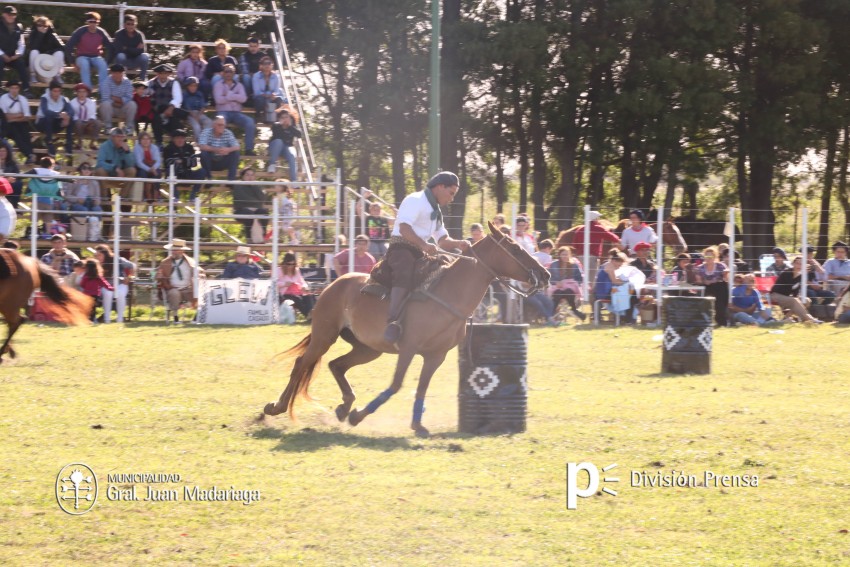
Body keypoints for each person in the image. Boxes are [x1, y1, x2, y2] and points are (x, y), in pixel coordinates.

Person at [382, 171, 470, 343]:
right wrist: (423, 245)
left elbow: (443, 240)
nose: (451, 199)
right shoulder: (415, 200)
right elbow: (404, 229)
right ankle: (392, 322)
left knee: (446, 268)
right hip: (400, 248)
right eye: (451, 193)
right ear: (439, 187)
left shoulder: (436, 211)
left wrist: (459, 243)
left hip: (420, 251)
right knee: (405, 271)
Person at [212, 63, 256, 155]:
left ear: (234, 73)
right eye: (226, 71)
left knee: (250, 122)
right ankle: (219, 149)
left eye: (230, 71)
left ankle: (248, 149)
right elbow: (218, 100)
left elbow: (244, 98)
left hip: (236, 113)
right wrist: (236, 98)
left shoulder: (239, 85)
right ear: (223, 73)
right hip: (223, 112)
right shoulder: (218, 85)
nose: (228, 73)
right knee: (220, 122)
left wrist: (229, 96)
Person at [570, 210, 623, 286]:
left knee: (581, 279)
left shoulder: (580, 230)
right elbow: (611, 236)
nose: (598, 220)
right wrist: (618, 240)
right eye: (597, 218)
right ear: (594, 219)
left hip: (580, 258)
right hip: (592, 258)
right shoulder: (598, 228)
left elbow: (575, 245)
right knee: (591, 281)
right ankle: (589, 297)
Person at [156, 238, 201, 322]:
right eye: (172, 250)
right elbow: (158, 275)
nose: (173, 252)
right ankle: (175, 317)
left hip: (187, 288)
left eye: (175, 250)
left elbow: (200, 271)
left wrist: (199, 275)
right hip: (172, 288)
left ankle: (196, 316)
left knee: (198, 293)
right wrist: (160, 276)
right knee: (174, 293)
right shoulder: (165, 262)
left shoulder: (190, 262)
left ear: (182, 251)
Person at [65, 12, 112, 92]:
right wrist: (72, 62)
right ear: (87, 22)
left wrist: (107, 61)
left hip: (96, 57)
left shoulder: (101, 32)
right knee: (84, 64)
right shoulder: (80, 31)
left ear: (98, 22)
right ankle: (87, 92)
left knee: (103, 65)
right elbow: (68, 47)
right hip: (82, 57)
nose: (93, 24)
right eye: (91, 21)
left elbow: (111, 47)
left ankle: (104, 94)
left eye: (95, 22)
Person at [769, 256, 823, 324]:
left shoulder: (800, 276)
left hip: (787, 298)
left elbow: (795, 291)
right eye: (797, 263)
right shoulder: (787, 273)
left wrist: (797, 297)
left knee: (806, 300)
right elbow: (789, 285)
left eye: (801, 264)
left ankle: (786, 317)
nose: (799, 266)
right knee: (794, 300)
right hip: (775, 295)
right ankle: (809, 319)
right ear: (793, 264)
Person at [148, 63, 187, 146]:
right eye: (160, 73)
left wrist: (170, 108)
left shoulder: (174, 83)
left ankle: (174, 144)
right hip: (156, 109)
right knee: (155, 119)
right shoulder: (150, 83)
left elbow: (178, 98)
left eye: (165, 73)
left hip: (170, 109)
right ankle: (159, 143)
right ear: (157, 74)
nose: (163, 76)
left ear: (169, 74)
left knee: (175, 122)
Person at [95, 244, 135, 323]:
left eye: (99, 255)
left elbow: (132, 266)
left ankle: (120, 318)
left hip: (121, 283)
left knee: (120, 293)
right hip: (105, 285)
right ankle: (107, 319)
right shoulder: (95, 263)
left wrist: (129, 277)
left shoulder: (117, 260)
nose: (97, 257)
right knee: (107, 293)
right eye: (96, 255)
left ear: (105, 254)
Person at [36, 79, 74, 157]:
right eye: (54, 91)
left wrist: (67, 116)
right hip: (42, 123)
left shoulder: (64, 99)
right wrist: (60, 115)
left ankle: (68, 144)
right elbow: (46, 112)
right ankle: (49, 142)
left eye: (58, 91)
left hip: (54, 124)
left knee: (71, 119)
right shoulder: (44, 98)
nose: (57, 93)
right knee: (48, 117)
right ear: (50, 91)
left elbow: (71, 111)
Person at [593, 249, 633, 322]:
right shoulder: (610, 267)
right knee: (630, 295)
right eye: (619, 265)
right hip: (604, 293)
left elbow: (615, 280)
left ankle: (624, 317)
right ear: (614, 261)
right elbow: (615, 281)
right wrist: (628, 282)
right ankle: (626, 318)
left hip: (601, 292)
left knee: (628, 293)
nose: (619, 267)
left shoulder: (606, 265)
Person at [163, 129, 204, 200]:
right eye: (178, 138)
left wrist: (182, 161)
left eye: (182, 138)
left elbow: (194, 163)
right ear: (173, 139)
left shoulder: (189, 148)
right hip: (175, 175)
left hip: (187, 174)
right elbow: (168, 163)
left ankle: (193, 196)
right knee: (170, 171)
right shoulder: (168, 148)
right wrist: (185, 161)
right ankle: (175, 197)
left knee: (201, 171)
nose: (180, 140)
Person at [0, 79, 35, 163]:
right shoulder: (3, 98)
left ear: (19, 89)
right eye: (12, 88)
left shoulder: (23, 99)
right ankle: (29, 154)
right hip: (6, 125)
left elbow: (26, 116)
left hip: (20, 124)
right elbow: (5, 117)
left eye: (16, 88)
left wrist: (13, 118)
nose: (14, 90)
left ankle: (30, 155)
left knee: (24, 134)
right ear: (9, 89)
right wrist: (19, 115)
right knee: (16, 133)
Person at [95, 127, 137, 196]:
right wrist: (114, 168)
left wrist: (127, 152)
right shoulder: (104, 146)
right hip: (107, 173)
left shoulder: (125, 147)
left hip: (121, 174)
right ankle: (104, 200)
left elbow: (131, 164)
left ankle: (122, 199)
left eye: (122, 137)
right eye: (118, 137)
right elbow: (100, 163)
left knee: (132, 170)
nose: (121, 139)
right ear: (112, 137)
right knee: (99, 170)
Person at [548, 245, 586, 321]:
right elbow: (549, 278)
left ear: (570, 255)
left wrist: (573, 283)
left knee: (568, 291)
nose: (565, 256)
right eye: (563, 254)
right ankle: (551, 314)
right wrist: (555, 282)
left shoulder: (574, 266)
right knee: (558, 293)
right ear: (559, 255)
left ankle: (574, 309)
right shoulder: (554, 265)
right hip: (557, 288)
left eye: (566, 254)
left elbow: (579, 279)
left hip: (570, 288)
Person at [25, 156, 64, 228]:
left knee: (34, 219)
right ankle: (48, 234)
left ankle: (33, 233)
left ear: (41, 164)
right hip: (49, 202)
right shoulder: (55, 173)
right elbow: (63, 182)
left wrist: (15, 177)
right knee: (48, 220)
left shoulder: (36, 171)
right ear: (51, 165)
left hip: (37, 201)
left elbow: (24, 175)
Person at [0, 6, 31, 97]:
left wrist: (17, 55)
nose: (12, 16)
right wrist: (3, 55)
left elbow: (22, 43)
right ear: (3, 14)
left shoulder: (19, 26)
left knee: (22, 64)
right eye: (9, 14)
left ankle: (26, 89)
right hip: (1, 55)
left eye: (14, 14)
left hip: (13, 55)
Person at [26, 15, 64, 88]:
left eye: (45, 26)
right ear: (36, 25)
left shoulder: (52, 35)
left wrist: (50, 52)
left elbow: (61, 47)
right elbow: (32, 47)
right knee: (34, 52)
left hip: (49, 67)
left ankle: (57, 75)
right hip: (37, 67)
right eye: (39, 25)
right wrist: (40, 34)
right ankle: (32, 75)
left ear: (48, 26)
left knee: (59, 53)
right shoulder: (33, 34)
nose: (42, 27)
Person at [695, 245, 728, 326]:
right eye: (707, 255)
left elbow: (726, 278)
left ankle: (721, 323)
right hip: (707, 287)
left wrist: (725, 274)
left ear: (715, 256)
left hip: (719, 287)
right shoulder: (700, 268)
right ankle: (705, 321)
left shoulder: (721, 266)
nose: (709, 257)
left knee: (720, 302)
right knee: (705, 297)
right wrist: (704, 280)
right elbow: (698, 281)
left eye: (711, 255)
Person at [232, 167, 269, 241]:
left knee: (264, 213)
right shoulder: (238, 185)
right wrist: (255, 202)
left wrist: (254, 186)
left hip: (256, 210)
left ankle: (262, 237)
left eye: (252, 175)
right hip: (241, 211)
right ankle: (249, 239)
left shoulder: (258, 186)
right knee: (249, 214)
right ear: (242, 177)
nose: (250, 177)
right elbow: (243, 199)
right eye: (247, 175)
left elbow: (263, 199)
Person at [198, 116, 240, 181]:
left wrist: (228, 149)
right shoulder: (206, 132)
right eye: (219, 125)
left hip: (223, 161)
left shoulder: (228, 133)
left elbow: (237, 147)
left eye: (223, 125)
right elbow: (202, 146)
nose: (221, 127)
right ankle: (208, 179)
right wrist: (216, 150)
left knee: (235, 153)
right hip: (210, 162)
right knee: (203, 153)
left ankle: (231, 181)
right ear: (213, 125)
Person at [99, 63, 137, 133]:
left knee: (132, 104)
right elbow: (105, 98)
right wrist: (121, 101)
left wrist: (114, 98)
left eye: (119, 73)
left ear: (123, 73)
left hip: (123, 109)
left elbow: (129, 98)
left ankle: (129, 128)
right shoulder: (105, 82)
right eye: (115, 73)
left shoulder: (127, 82)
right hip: (110, 110)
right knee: (105, 104)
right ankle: (108, 128)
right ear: (111, 73)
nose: (117, 75)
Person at [276, 251, 314, 318]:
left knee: (309, 297)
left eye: (292, 264)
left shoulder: (296, 270)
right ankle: (308, 315)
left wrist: (304, 287)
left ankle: (311, 314)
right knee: (297, 299)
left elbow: (302, 281)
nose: (290, 266)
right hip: (285, 294)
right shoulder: (279, 270)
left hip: (297, 292)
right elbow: (274, 283)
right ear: (284, 263)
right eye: (288, 264)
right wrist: (284, 284)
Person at [112, 14, 149, 81]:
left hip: (135, 60)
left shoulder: (139, 35)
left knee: (145, 56)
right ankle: (120, 79)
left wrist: (126, 48)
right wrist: (135, 50)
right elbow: (118, 50)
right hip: (124, 61)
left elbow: (142, 51)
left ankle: (142, 80)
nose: (130, 26)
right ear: (124, 25)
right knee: (120, 56)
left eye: (132, 24)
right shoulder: (118, 34)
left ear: (136, 24)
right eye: (128, 24)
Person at [267, 108, 302, 177]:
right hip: (275, 147)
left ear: (290, 118)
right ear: (279, 119)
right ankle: (272, 164)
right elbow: (278, 136)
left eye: (286, 117)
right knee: (279, 141)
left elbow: (299, 135)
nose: (285, 119)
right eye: (282, 117)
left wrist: (290, 127)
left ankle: (294, 181)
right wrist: (281, 126)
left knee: (292, 156)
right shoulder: (276, 126)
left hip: (286, 148)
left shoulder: (292, 127)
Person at [251, 56, 286, 121]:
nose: (267, 65)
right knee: (260, 99)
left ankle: (269, 115)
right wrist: (268, 95)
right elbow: (257, 92)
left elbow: (276, 90)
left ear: (272, 65)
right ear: (261, 65)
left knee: (279, 99)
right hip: (260, 99)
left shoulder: (276, 76)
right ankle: (259, 115)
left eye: (269, 63)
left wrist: (273, 95)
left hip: (271, 100)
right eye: (264, 63)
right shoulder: (256, 76)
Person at [69, 83, 100, 151]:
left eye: (84, 92)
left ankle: (92, 143)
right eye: (79, 92)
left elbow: (92, 115)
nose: (82, 94)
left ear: (87, 93)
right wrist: (82, 123)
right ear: (76, 93)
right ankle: (80, 142)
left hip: (88, 123)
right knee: (78, 122)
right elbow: (73, 116)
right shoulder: (72, 103)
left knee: (98, 123)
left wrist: (89, 122)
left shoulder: (91, 102)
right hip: (78, 125)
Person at [133, 132, 162, 203]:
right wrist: (149, 169)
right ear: (140, 140)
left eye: (147, 139)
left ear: (150, 140)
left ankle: (156, 195)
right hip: (142, 168)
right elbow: (139, 163)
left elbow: (158, 161)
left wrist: (153, 168)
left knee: (157, 173)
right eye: (143, 139)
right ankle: (146, 194)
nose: (146, 141)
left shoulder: (154, 147)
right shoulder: (137, 148)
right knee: (142, 173)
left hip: (153, 168)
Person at [182, 76, 212, 141]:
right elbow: (187, 108)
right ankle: (199, 142)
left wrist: (198, 116)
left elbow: (203, 106)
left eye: (195, 86)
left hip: (199, 113)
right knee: (196, 127)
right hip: (189, 114)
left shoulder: (199, 94)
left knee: (209, 122)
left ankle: (205, 140)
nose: (193, 88)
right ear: (187, 86)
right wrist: (195, 117)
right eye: (191, 86)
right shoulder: (185, 95)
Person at [0, 144, 22, 208]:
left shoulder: (12, 163)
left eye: (4, 151)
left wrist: (12, 179)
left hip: (8, 184)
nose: (2, 153)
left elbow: (17, 174)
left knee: (18, 183)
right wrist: (6, 180)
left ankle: (14, 205)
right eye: (0, 151)